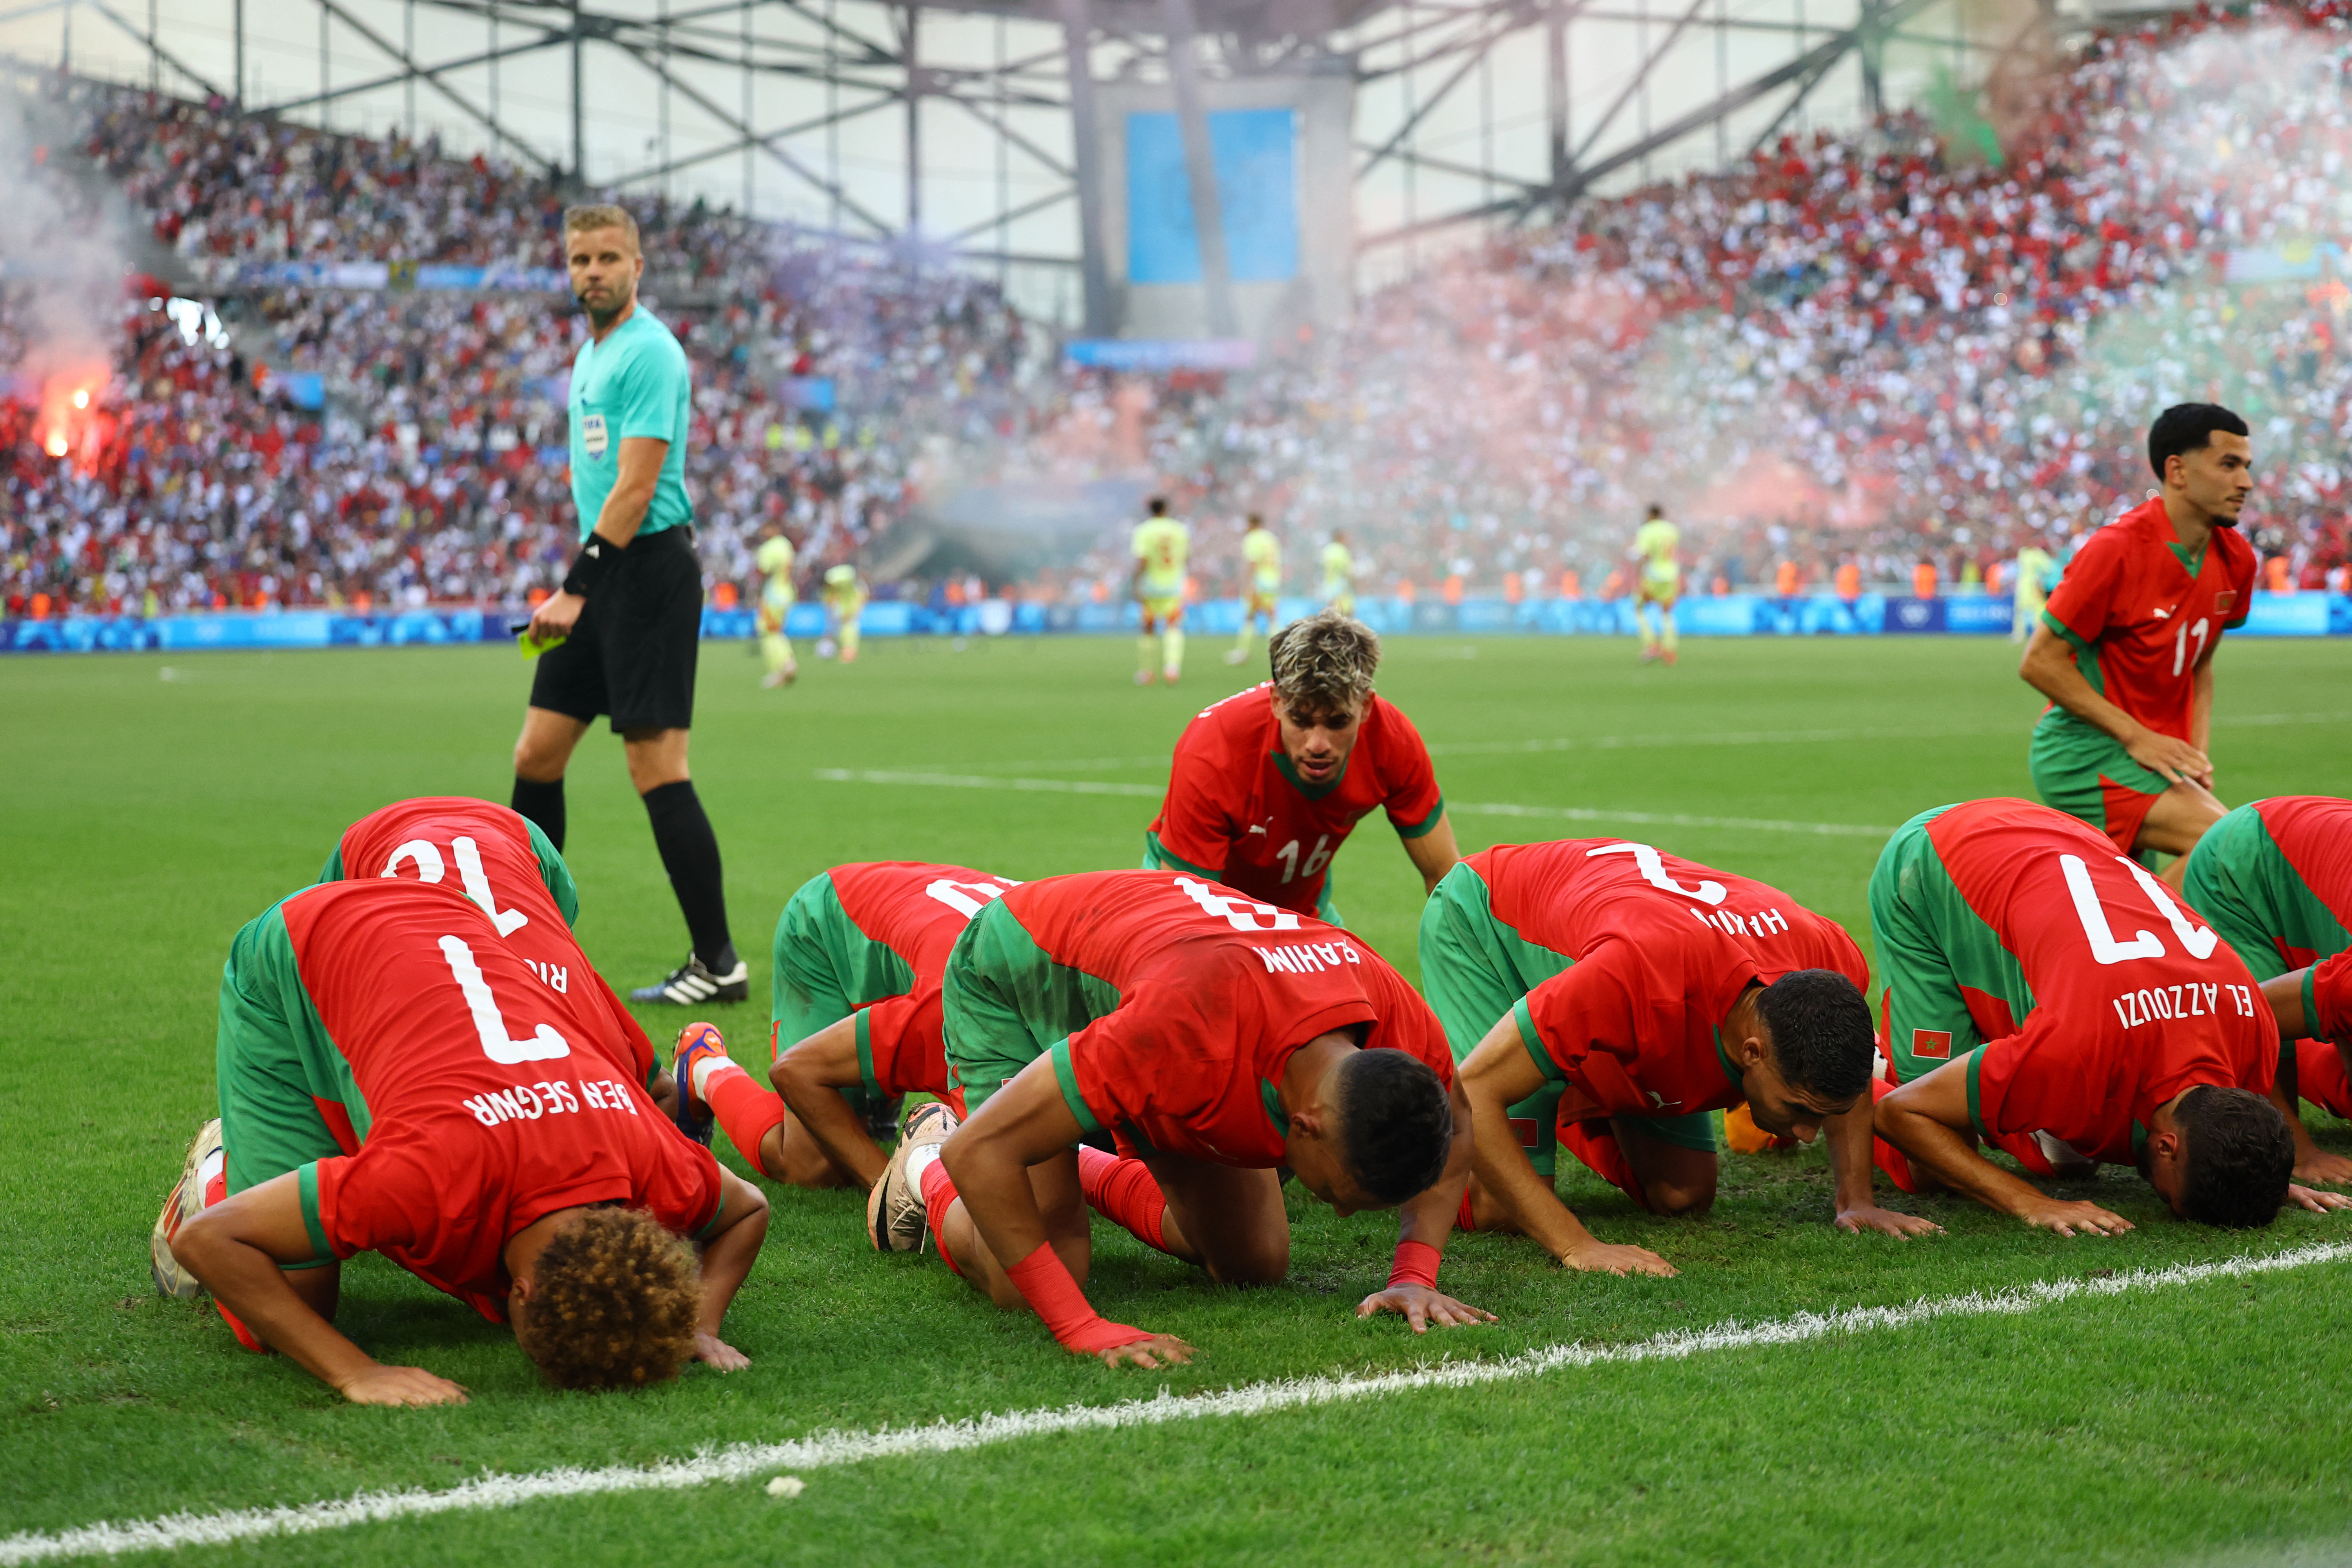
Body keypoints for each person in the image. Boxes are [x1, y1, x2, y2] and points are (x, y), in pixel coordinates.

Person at [155, 877, 769, 1405]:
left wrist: (700, 1321)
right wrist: (356, 1373)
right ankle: (218, 1167)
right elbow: (211, 1243)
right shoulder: (430, 1179)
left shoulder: (650, 1160)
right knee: (286, 1311)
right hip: (300, 943)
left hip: (450, 914)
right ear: (519, 1296)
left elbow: (749, 1209)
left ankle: (309, 1174)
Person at [864, 869, 1490, 1365]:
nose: (1343, 1212)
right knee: (1027, 1281)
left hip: (1173, 976)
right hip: (1018, 963)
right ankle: (924, 1155)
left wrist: (1414, 1274)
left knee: (1254, 1261)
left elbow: (1457, 1122)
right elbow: (983, 1154)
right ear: (1306, 1124)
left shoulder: (1399, 1026)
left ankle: (1064, 1152)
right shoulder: (1181, 1036)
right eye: (1339, 1192)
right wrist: (1082, 1328)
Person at [1431, 838, 1919, 1276]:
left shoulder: (1832, 964)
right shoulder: (1635, 976)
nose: (1808, 1134)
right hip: (1486, 918)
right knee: (1497, 1208)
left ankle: (1562, 1071)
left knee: (1680, 1194)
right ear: (1753, 1051)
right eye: (1799, 1109)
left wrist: (1857, 1200)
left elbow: (1848, 1072)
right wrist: (1578, 1246)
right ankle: (1432, 1080)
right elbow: (1475, 1090)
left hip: (1622, 948)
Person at [1867, 798, 2344, 1232]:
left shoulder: (2252, 1029)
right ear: (2167, 1147)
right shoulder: (2077, 1050)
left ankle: (2012, 1097)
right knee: (1929, 1166)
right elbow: (1899, 1113)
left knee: (2069, 1153)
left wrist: (2261, 1179)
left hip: (2059, 837)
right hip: (1937, 860)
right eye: (2168, 1197)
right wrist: (2032, 1203)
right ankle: (1865, 1066)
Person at [507, 203, 744, 1008]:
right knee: (536, 754)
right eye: (580, 260)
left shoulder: (650, 353)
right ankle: (529, 944)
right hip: (605, 572)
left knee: (656, 767)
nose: (593, 272)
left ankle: (718, 961)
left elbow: (638, 489)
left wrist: (577, 585)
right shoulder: (592, 351)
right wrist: (581, 584)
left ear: (637, 268)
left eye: (609, 258)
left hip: (647, 574)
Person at [668, 860, 1020, 1191]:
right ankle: (704, 1064)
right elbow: (798, 1074)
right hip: (826, 922)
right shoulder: (967, 1005)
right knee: (813, 1164)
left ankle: (877, 1087)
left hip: (914, 916)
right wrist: (889, 1187)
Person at [2022, 405, 2259, 891]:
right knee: (2230, 841)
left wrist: (2197, 752)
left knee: (2122, 889)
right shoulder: (2118, 549)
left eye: (2247, 467)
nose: (2246, 482)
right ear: (2177, 471)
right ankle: (2155, 960)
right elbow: (2039, 661)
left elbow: (2201, 661)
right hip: (2086, 751)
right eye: (2228, 465)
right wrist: (2137, 736)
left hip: (2152, 756)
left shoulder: (2236, 559)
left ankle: (2122, 958)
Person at [1143, 608, 1457, 926]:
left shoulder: (1394, 742)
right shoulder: (1214, 750)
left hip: (1302, 910)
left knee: (1357, 974)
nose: (1317, 745)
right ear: (1277, 702)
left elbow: (1444, 880)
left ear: (1365, 707)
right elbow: (1188, 915)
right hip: (1193, 905)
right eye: (1301, 721)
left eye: (1337, 723)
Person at [2181, 797, 2352, 1141]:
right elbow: (2236, 1014)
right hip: (2243, 857)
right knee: (2270, 1079)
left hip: (2309, 843)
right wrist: (2299, 1151)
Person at [1131, 495, 1190, 686]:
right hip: (1173, 586)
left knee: (1148, 628)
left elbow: (1143, 559)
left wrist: (1136, 584)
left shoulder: (1144, 531)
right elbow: (1185, 557)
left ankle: (1147, 672)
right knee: (1173, 625)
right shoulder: (1179, 530)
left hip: (1151, 586)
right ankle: (1172, 669)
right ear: (1166, 509)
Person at [1628, 503, 1681, 665]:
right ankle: (1670, 649)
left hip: (1653, 575)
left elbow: (1645, 554)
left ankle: (1652, 644)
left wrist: (1639, 575)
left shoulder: (1647, 530)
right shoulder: (1672, 530)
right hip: (1671, 574)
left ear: (1650, 515)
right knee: (1667, 612)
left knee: (1638, 607)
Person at [1226, 513, 1281, 666]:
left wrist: (1249, 583)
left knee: (1250, 616)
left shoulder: (1253, 539)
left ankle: (1243, 652)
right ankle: (1281, 650)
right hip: (1272, 581)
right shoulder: (1271, 538)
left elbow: (1253, 562)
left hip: (1259, 582)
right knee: (1271, 616)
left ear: (1251, 524)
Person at [755, 529, 798, 689]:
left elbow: (764, 572)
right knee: (776, 630)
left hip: (773, 594)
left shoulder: (769, 548)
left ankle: (782, 667)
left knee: (768, 631)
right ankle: (787, 665)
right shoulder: (785, 544)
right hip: (786, 591)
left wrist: (759, 594)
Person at [2011, 537, 2056, 644]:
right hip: (2023, 586)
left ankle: (2038, 635)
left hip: (2034, 587)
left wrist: (2039, 579)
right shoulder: (2023, 552)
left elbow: (2048, 568)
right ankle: (2018, 636)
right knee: (2020, 610)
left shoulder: (2038, 554)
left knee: (2038, 611)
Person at [820, 562, 867, 663]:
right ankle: (846, 651)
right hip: (846, 608)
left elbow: (852, 575)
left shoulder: (838, 578)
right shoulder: (833, 587)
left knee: (848, 629)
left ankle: (848, 652)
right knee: (845, 629)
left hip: (850, 606)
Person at [1320, 531, 1356, 615]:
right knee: (1346, 614)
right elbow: (1348, 572)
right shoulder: (1342, 551)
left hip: (1329, 586)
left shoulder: (1327, 550)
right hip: (1341, 586)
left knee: (1332, 612)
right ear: (1341, 538)